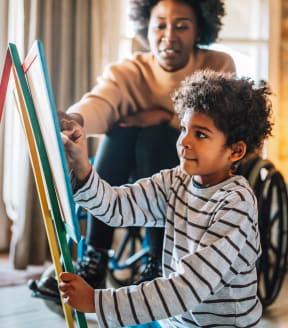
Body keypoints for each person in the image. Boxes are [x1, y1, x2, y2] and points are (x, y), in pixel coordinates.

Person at [59, 70, 273, 328]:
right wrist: (81, 165)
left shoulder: (236, 203)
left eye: (201, 134)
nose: (184, 141)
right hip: (175, 320)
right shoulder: (175, 181)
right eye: (184, 128)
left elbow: (187, 288)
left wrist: (96, 301)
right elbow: (116, 207)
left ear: (235, 151)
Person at [63, 0, 236, 289]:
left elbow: (218, 124)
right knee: (119, 132)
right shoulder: (130, 70)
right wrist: (75, 119)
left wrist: (166, 118)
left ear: (199, 31)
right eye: (160, 25)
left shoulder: (217, 65)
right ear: (146, 26)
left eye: (182, 26)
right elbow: (102, 100)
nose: (169, 35)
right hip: (132, 164)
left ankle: (158, 259)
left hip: (191, 165)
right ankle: (96, 254)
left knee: (153, 136)